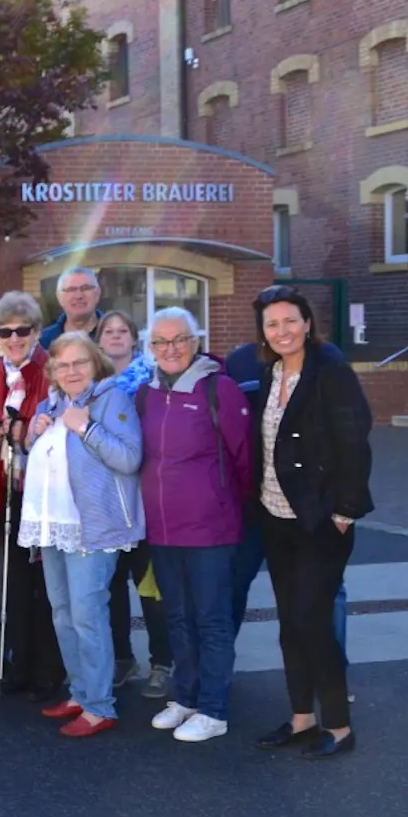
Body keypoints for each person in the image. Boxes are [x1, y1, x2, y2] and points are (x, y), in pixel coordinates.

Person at [250, 286, 373, 759]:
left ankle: (339, 726)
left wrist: (344, 512)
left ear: (307, 323)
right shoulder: (271, 373)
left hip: (320, 521)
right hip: (276, 517)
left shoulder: (331, 372)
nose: (282, 331)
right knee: (290, 622)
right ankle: (301, 718)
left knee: (313, 621)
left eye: (290, 321)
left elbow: (355, 443)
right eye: (272, 323)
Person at [137, 308, 253, 744]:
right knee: (178, 618)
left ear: (195, 341)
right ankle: (186, 698)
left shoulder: (219, 389)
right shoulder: (146, 394)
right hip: (163, 529)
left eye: (179, 339)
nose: (170, 349)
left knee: (212, 620)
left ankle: (214, 709)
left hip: (210, 530)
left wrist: (222, 502)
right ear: (151, 347)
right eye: (160, 342)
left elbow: (245, 459)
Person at [22, 332, 144, 738]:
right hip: (55, 525)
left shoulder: (112, 399)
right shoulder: (51, 404)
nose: (71, 371)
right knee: (63, 613)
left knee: (88, 616)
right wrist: (32, 435)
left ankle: (99, 706)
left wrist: (87, 428)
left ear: (95, 364)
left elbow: (129, 458)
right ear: (52, 370)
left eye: (80, 363)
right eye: (62, 365)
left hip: (94, 527)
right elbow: (39, 462)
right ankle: (81, 692)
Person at [0, 291, 63, 698]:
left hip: (43, 492)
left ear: (36, 331)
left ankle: (48, 670)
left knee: (44, 584)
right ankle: (18, 665)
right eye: (5, 331)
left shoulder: (50, 369)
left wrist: (20, 429)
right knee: (13, 585)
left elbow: (55, 423)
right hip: (7, 491)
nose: (14, 338)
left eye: (22, 330)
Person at [94, 309, 169, 692]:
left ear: (134, 338)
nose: (115, 336)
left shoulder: (153, 381)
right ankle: (122, 658)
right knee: (112, 588)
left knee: (150, 586)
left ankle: (162, 662)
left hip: (145, 498)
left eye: (122, 330)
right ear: (98, 339)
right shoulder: (91, 385)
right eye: (108, 331)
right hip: (106, 501)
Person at [39, 266, 103, 350]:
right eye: (71, 290)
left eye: (85, 288)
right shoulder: (44, 341)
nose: (78, 296)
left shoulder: (116, 335)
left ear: (98, 293)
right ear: (59, 297)